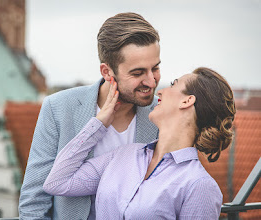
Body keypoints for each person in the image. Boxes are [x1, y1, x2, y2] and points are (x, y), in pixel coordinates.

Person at [19, 12, 161, 220]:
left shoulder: (164, 114)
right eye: (138, 73)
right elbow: (34, 202)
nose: (151, 81)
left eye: (155, 68)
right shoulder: (58, 108)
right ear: (107, 71)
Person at [43, 67, 236, 219]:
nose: (160, 91)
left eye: (173, 85)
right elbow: (57, 182)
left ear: (187, 101)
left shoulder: (199, 186)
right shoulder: (122, 155)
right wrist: (98, 124)